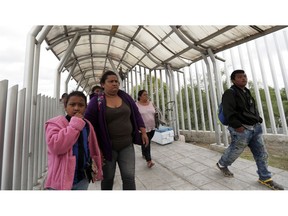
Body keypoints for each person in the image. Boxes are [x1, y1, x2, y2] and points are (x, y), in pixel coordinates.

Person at [216, 69, 284, 190]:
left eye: (245, 76)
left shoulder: (246, 91)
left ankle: (265, 178)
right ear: (233, 80)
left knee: (262, 153)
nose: (244, 78)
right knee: (234, 151)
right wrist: (238, 126)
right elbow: (228, 111)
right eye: (240, 77)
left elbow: (251, 109)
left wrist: (258, 119)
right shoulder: (229, 93)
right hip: (241, 129)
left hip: (255, 128)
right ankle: (222, 164)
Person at [85, 70, 149, 190]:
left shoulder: (125, 97)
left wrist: (143, 131)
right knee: (108, 178)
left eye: (116, 81)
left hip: (127, 145)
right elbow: (88, 125)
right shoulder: (96, 101)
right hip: (107, 148)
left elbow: (136, 113)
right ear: (103, 84)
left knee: (129, 177)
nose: (115, 84)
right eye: (111, 81)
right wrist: (95, 148)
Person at [45, 91, 103, 190]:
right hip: (60, 179)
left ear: (85, 107)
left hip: (82, 178)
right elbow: (56, 147)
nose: (76, 108)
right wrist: (75, 124)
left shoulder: (87, 125)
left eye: (81, 105)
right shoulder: (55, 123)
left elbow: (92, 148)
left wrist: (97, 167)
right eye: (72, 104)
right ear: (65, 106)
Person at [136, 90, 156, 168]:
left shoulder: (151, 103)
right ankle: (149, 161)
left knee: (146, 142)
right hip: (143, 128)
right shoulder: (136, 105)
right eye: (144, 95)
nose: (146, 96)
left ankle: (144, 153)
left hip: (152, 127)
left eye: (147, 94)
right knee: (147, 143)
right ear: (140, 96)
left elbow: (155, 113)